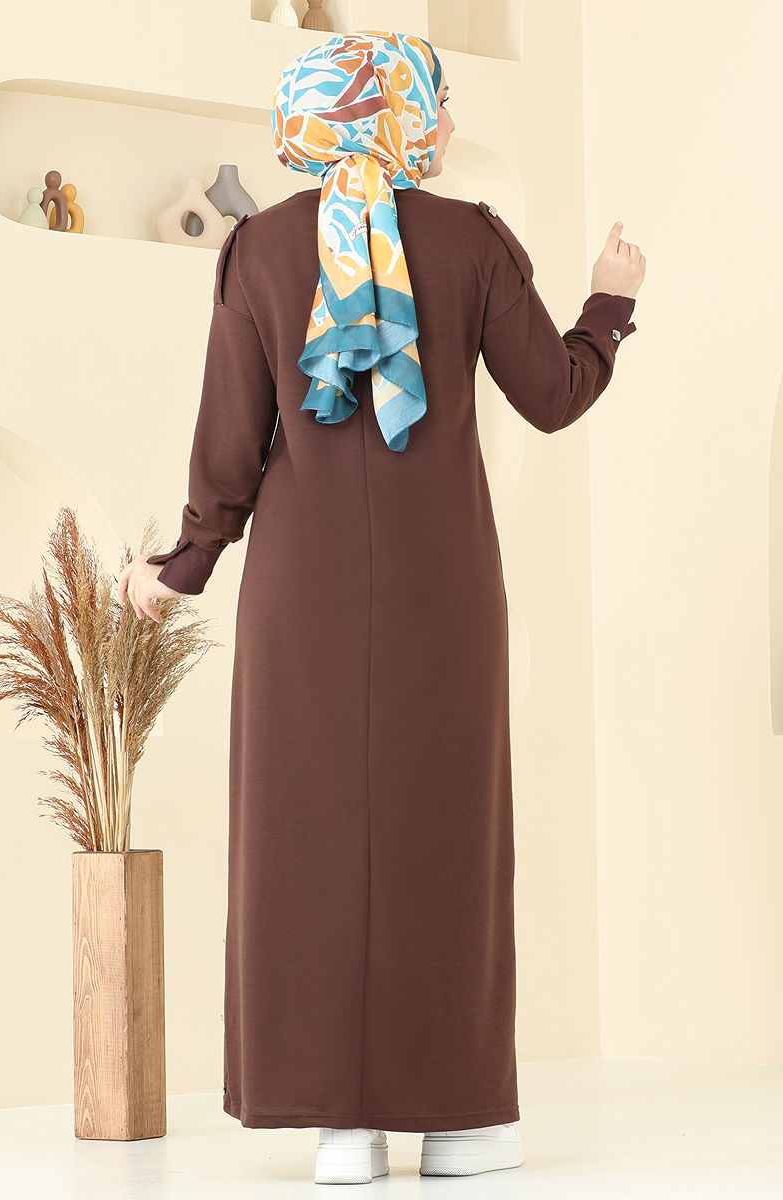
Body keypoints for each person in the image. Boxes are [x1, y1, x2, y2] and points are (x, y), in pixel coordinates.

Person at [118, 29, 644, 1184]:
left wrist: (183, 566)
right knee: (444, 835)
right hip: (440, 588)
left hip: (298, 596)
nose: (447, 123)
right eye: (436, 105)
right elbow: (551, 394)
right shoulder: (470, 240)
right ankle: (459, 1120)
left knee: (303, 836)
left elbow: (230, 445)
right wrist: (609, 301)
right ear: (397, 117)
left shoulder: (257, 248)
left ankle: (338, 1128)